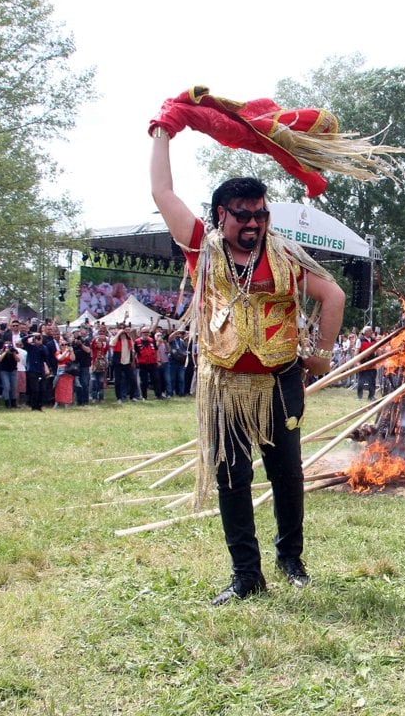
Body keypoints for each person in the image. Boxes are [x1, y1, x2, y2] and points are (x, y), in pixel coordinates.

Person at [150, 127, 345, 605]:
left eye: (261, 214)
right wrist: (161, 134)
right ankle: (245, 576)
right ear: (222, 214)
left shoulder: (284, 254)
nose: (255, 223)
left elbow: (333, 295)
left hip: (280, 383)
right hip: (224, 386)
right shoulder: (202, 246)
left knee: (287, 474)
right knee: (232, 478)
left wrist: (320, 353)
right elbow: (162, 192)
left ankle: (291, 560)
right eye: (244, 215)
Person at [24, 333, 49, 411]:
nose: (38, 339)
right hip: (32, 370)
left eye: (39, 338)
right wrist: (31, 335)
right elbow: (23, 341)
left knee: (42, 388)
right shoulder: (30, 347)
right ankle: (33, 406)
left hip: (40, 370)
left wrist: (40, 345)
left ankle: (39, 406)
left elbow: (46, 356)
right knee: (35, 389)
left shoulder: (44, 347)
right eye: (37, 338)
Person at [0, 340, 21, 408]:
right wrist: (5, 352)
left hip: (13, 371)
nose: (8, 346)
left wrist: (13, 353)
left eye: (9, 344)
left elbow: (18, 360)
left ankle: (13, 402)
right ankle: (7, 402)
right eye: (6, 344)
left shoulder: (14, 350)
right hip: (4, 371)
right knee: (6, 386)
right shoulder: (1, 351)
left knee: (14, 387)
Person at [356, 327, 378, 400]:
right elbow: (356, 353)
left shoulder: (374, 340)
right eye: (370, 331)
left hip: (372, 362)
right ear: (366, 332)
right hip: (363, 362)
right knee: (361, 381)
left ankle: (371, 396)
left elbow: (377, 351)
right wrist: (358, 363)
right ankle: (359, 396)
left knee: (372, 381)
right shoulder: (360, 340)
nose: (372, 332)